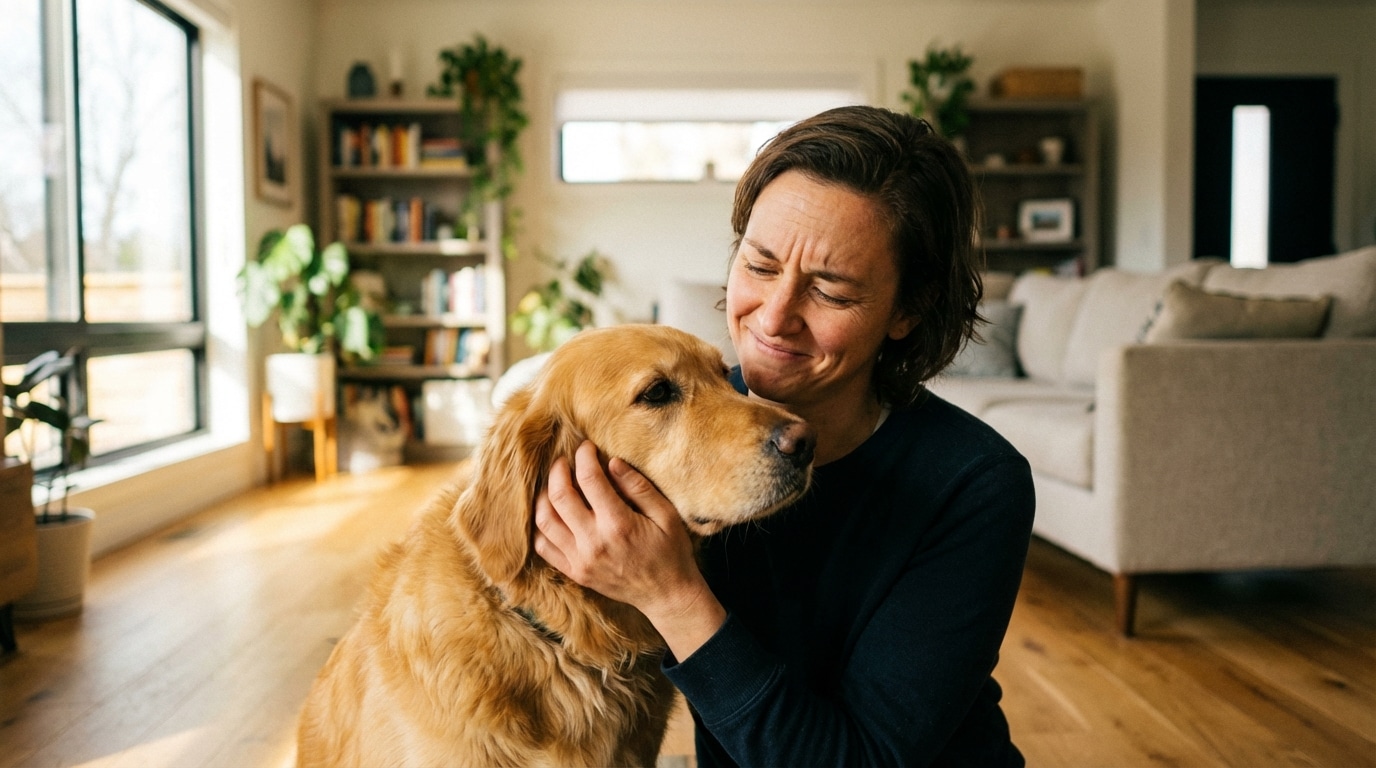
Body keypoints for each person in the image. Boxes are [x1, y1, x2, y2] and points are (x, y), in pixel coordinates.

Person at [533, 105, 1035, 767]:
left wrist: (670, 593)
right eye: (761, 266)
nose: (773, 318)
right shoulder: (666, 426)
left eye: (829, 289)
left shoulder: (973, 482)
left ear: (906, 311)